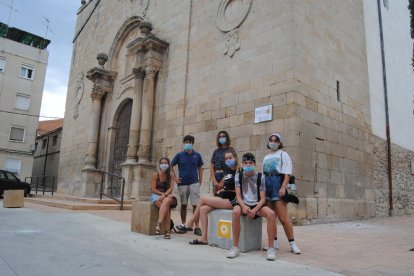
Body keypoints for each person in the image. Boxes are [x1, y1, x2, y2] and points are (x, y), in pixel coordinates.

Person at [176, 149, 239, 244]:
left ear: (236, 158)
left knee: (202, 199)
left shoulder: (240, 171)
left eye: (230, 158)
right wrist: (220, 188)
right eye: (226, 159)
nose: (228, 160)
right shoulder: (229, 171)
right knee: (203, 209)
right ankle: (204, 238)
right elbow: (223, 185)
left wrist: (228, 190)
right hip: (225, 197)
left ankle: (189, 223)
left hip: (233, 200)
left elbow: (241, 189)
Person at [227, 152, 277, 261]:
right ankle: (235, 247)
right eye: (245, 163)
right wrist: (243, 206)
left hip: (257, 204)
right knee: (235, 212)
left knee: (271, 214)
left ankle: (271, 248)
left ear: (254, 164)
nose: (248, 165)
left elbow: (263, 198)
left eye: (250, 163)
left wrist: (255, 209)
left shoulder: (260, 177)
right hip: (243, 203)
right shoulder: (238, 176)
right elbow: (238, 196)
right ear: (242, 164)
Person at [262, 133, 301, 254]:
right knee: (271, 217)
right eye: (271, 140)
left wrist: (283, 187)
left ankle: (292, 243)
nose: (273, 142)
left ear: (280, 142)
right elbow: (263, 174)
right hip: (267, 185)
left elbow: (287, 173)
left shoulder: (284, 154)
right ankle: (274, 242)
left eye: (276, 140)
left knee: (284, 218)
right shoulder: (266, 157)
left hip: (277, 184)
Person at [171, 135, 204, 235]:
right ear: (183, 143)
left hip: (194, 183)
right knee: (184, 205)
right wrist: (175, 178)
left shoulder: (197, 155)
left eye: (189, 142)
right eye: (186, 142)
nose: (188, 144)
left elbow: (200, 167)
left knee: (196, 205)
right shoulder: (179, 155)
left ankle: (197, 226)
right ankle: (184, 225)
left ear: (192, 143)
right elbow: (171, 165)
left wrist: (200, 180)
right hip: (183, 184)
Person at [150, 157, 175, 239]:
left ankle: (159, 224)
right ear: (160, 164)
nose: (164, 165)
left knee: (166, 201)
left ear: (168, 164)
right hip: (156, 195)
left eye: (165, 163)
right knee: (166, 208)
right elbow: (153, 189)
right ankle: (167, 232)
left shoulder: (171, 174)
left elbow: (171, 188)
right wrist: (162, 194)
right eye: (162, 163)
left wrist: (164, 195)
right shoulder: (156, 174)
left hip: (167, 195)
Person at [210, 131, 232, 196]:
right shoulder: (216, 151)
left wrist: (223, 180)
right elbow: (212, 166)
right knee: (216, 195)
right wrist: (213, 180)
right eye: (220, 137)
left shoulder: (231, 150)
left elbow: (232, 167)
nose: (221, 138)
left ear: (226, 138)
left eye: (223, 136)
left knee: (224, 195)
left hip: (226, 175)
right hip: (216, 176)